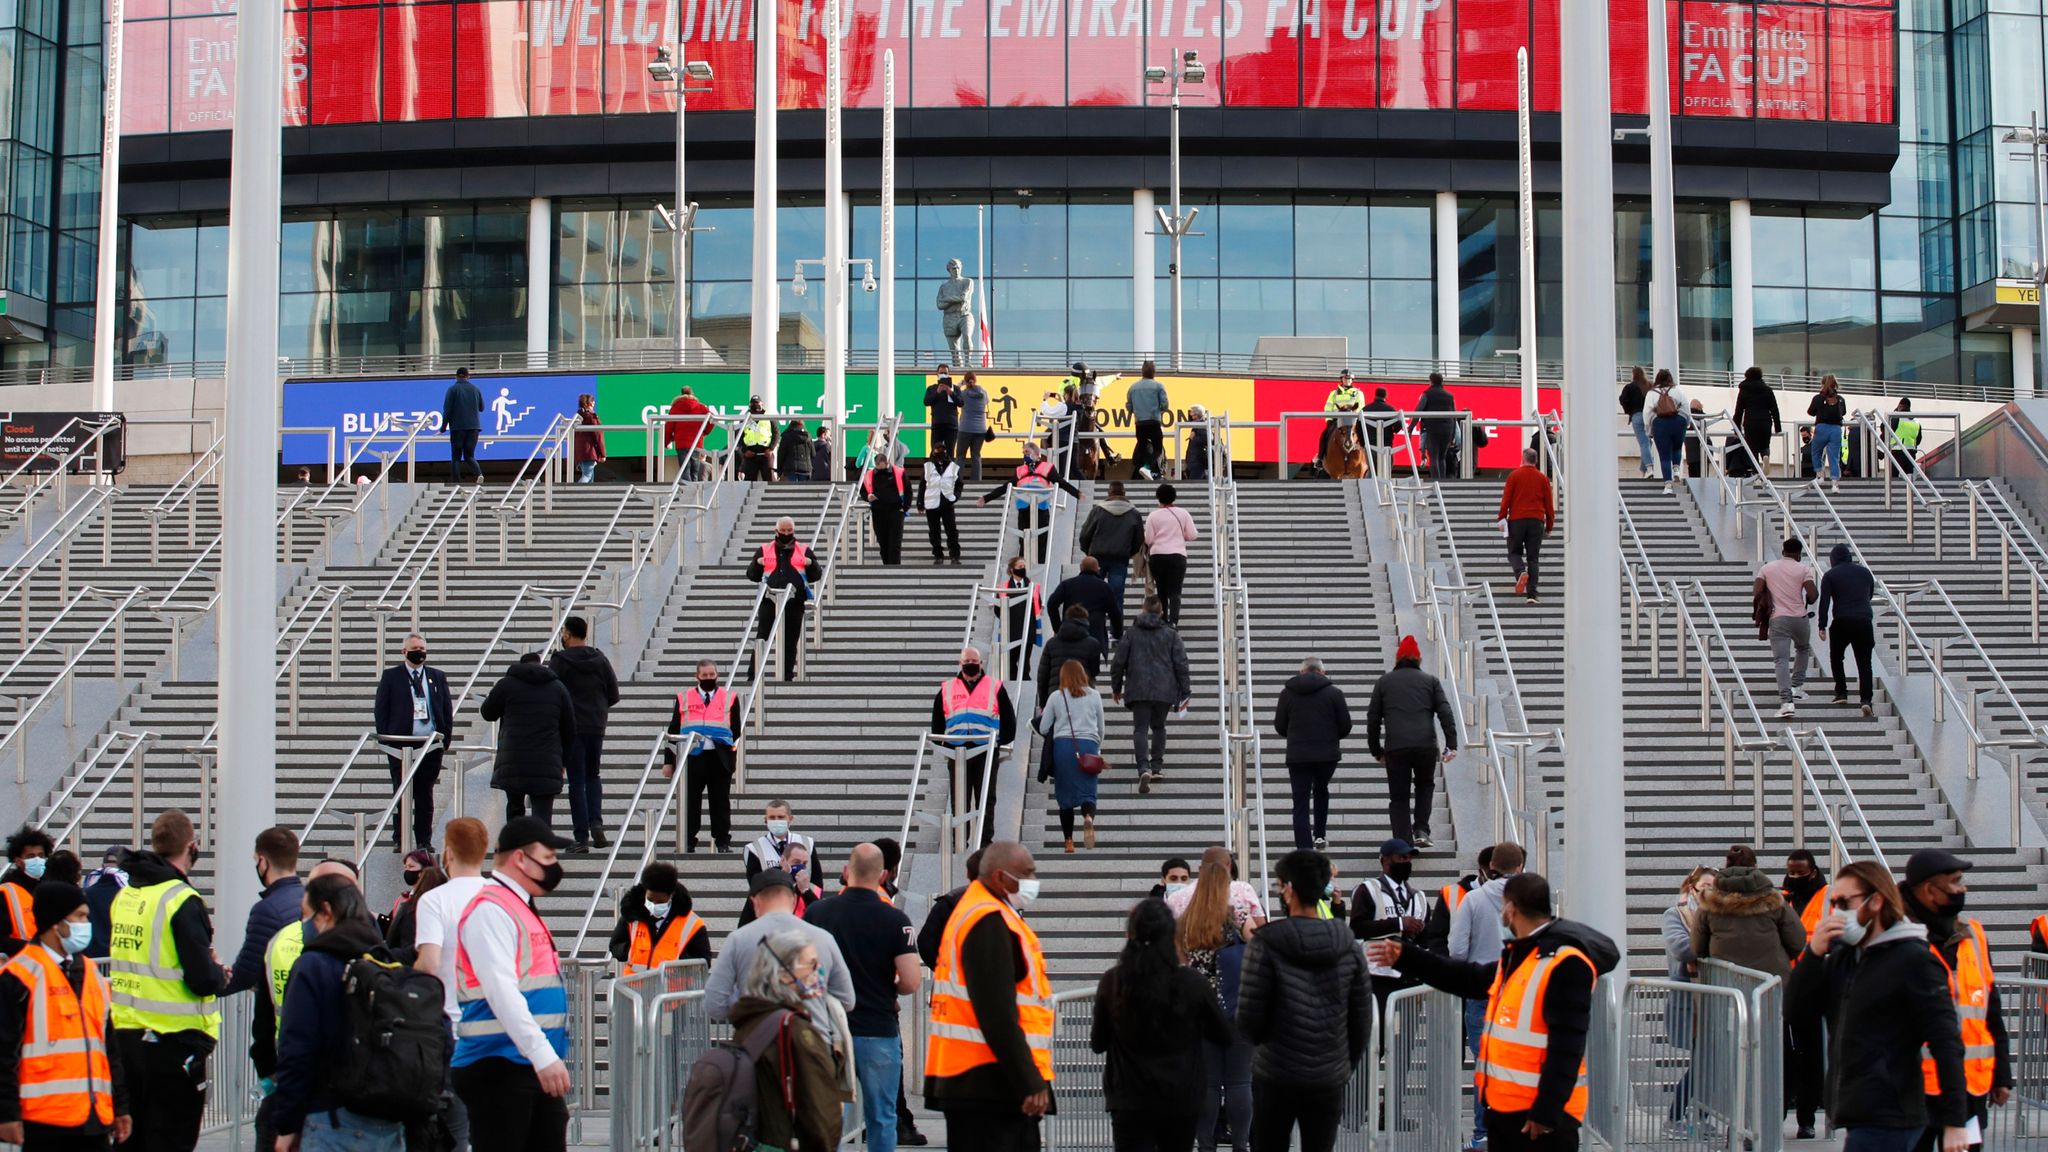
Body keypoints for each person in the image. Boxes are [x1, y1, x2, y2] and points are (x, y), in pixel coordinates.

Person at [1371, 873, 1620, 1152]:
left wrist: (1547, 1111)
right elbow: (1467, 978)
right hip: (1506, 1110)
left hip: (1541, 1118)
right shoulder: (1521, 955)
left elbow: (1567, 1046)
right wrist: (1408, 957)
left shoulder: (1564, 963)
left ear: (1511, 908)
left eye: (1503, 906)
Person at [1787, 860, 1970, 1152]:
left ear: (1876, 901)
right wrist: (1813, 953)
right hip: (1860, 1107)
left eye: (1845, 902)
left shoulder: (1913, 958)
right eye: (1834, 902)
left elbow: (1945, 1040)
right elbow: (1797, 1011)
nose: (1837, 911)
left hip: (1891, 1111)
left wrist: (1955, 1121)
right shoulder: (1846, 957)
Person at [448, 820, 573, 1152]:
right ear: (521, 858)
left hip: (519, 1063)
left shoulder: (515, 906)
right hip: (500, 1065)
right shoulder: (491, 908)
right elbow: (501, 991)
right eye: (547, 857)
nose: (553, 866)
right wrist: (543, 1055)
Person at [108, 810, 229, 1152]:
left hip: (127, 1039)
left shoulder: (127, 896)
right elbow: (202, 979)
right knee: (171, 1139)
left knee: (132, 1140)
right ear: (192, 847)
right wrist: (219, 972)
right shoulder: (181, 900)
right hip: (174, 1043)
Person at [923, 840, 1055, 1151]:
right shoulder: (987, 920)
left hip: (982, 1082)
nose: (1032, 881)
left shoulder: (984, 912)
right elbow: (997, 1013)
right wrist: (1030, 1080)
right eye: (1026, 873)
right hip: (989, 1084)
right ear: (998, 877)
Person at [1238, 850, 1371, 1152]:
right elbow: (1361, 1017)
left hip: (1275, 1070)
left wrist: (1264, 1046)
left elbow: (1248, 1015)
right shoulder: (1347, 944)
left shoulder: (1266, 943)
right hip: (1328, 1072)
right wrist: (1342, 1062)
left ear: (1288, 889)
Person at [269, 874, 409, 1152]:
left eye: (306, 916)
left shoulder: (314, 965)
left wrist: (287, 1124)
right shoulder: (387, 961)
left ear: (326, 911)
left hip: (331, 1117)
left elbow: (297, 1048)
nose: (304, 925)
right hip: (390, 1122)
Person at [804, 844, 919, 1152]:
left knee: (830, 1117)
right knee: (882, 1116)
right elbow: (910, 981)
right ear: (883, 874)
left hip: (828, 1028)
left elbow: (803, 969)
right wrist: (888, 988)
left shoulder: (817, 912)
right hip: (877, 1027)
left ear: (847, 870)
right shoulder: (896, 919)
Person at [0, 880, 130, 1150]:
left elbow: (109, 1048)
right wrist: (7, 1113)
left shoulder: (91, 973)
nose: (86, 924)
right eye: (80, 916)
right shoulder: (19, 975)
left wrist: (120, 1106)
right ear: (56, 922)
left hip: (94, 1117)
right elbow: (4, 1050)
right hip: (46, 1121)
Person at [1091, 899, 1230, 1152]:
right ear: (1172, 936)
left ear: (1129, 934)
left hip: (1129, 1097)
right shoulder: (1192, 982)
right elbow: (1222, 1035)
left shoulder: (1114, 981)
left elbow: (1098, 1043)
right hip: (1181, 1096)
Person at [1900, 849, 2013, 1152]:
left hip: (1968, 1087)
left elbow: (1990, 1009)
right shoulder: (1897, 935)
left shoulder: (1973, 934)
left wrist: (2002, 1075)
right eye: (1956, 882)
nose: (1963, 889)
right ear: (1929, 890)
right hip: (1914, 1089)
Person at [729, 929, 853, 1151]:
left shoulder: (750, 1020)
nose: (818, 972)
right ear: (785, 974)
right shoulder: (797, 1031)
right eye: (811, 964)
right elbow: (820, 1111)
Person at [409, 818, 488, 1152]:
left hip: (450, 1025)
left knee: (453, 1128)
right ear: (484, 852)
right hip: (496, 1028)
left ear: (447, 853)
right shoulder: (504, 897)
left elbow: (428, 962)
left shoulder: (435, 900)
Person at [1176, 853, 1258, 1152]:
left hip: (1199, 1008)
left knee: (1208, 1084)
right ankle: (1240, 1145)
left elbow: (1181, 961)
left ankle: (1206, 1145)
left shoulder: (1186, 919)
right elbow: (1256, 937)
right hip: (1235, 1003)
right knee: (1239, 1082)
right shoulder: (1234, 911)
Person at [705, 869, 856, 1021]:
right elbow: (847, 1000)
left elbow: (714, 1005)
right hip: (813, 1039)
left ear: (755, 902)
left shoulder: (738, 939)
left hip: (757, 1039)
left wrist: (746, 1002)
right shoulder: (824, 938)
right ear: (794, 899)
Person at [1366, 635, 1455, 848]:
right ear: (1418, 659)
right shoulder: (1430, 681)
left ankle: (1403, 841)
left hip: (1396, 747)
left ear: (1398, 659)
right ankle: (1422, 829)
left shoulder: (1384, 682)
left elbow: (1373, 718)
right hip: (1425, 745)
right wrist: (1451, 745)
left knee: (1399, 796)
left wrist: (1376, 750)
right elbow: (1445, 713)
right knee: (1425, 785)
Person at [372, 633, 453, 853]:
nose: (420, 652)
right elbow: (381, 709)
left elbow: (445, 708)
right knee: (401, 790)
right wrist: (386, 738)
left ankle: (424, 840)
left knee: (425, 793)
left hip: (429, 745)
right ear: (404, 651)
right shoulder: (392, 677)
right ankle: (400, 836)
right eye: (415, 648)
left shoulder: (436, 676)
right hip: (401, 744)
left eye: (422, 648)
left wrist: (445, 737)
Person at [548, 615, 619, 853]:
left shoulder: (559, 661)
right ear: (586, 633)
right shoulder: (600, 659)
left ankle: (581, 837)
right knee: (593, 775)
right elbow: (613, 693)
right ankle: (596, 822)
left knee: (576, 780)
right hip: (596, 725)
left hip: (572, 728)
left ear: (567, 634)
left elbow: (552, 694)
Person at [931, 652, 1018, 844]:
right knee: (959, 799)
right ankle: (959, 840)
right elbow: (937, 720)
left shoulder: (994, 686)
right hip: (957, 751)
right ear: (960, 663)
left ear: (981, 663)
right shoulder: (947, 688)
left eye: (974, 661)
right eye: (967, 661)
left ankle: (985, 841)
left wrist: (1000, 742)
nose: (971, 664)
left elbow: (1009, 719)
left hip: (985, 750)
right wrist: (943, 743)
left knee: (986, 798)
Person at [478, 652, 576, 822]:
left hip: (514, 759)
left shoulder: (506, 685)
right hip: (547, 760)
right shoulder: (558, 688)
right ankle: (541, 846)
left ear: (520, 665)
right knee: (543, 815)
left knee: (515, 808)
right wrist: (564, 761)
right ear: (541, 665)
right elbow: (570, 728)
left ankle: (517, 845)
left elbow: (487, 713)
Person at [1112, 596, 1191, 795]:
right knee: (1159, 727)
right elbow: (1181, 664)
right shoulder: (1172, 635)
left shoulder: (1131, 634)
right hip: (1164, 689)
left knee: (1140, 729)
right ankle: (1156, 766)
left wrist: (1116, 687)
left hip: (1138, 688)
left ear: (1143, 610)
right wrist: (1185, 690)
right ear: (1162, 612)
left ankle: (1143, 767)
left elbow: (1118, 662)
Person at [1273, 656, 1352, 852]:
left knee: (1299, 801)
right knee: (1321, 789)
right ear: (1322, 672)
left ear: (1302, 672)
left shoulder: (1287, 694)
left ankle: (1304, 847)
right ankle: (1320, 835)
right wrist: (1332, 737)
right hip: (1327, 755)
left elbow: (1280, 726)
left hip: (1298, 755)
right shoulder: (1335, 693)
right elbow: (1346, 725)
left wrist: (1293, 735)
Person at [663, 659, 743, 854]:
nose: (709, 678)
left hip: (719, 756)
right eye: (705, 675)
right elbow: (673, 730)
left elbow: (736, 729)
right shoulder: (684, 697)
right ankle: (688, 840)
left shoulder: (730, 697)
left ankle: (723, 841)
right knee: (691, 802)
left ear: (717, 675)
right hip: (692, 756)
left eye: (712, 675)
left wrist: (722, 742)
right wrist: (668, 762)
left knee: (720, 801)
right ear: (697, 676)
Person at [225, 828, 303, 999]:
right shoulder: (310, 899)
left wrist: (209, 982)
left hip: (273, 1012)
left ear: (262, 862)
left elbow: (246, 973)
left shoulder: (267, 910)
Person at [976, 442, 1084, 564]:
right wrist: (986, 498)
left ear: (1037, 454)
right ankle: (1024, 568)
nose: (1025, 455)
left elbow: (1061, 482)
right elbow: (1006, 487)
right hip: (1024, 508)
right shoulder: (1020, 470)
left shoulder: (1047, 467)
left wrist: (1077, 493)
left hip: (1041, 508)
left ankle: (1041, 569)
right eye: (1023, 453)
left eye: (1027, 452)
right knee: (1024, 540)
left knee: (1042, 539)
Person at [1036, 660, 1104, 854]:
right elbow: (1101, 727)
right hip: (1089, 745)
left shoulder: (1056, 697)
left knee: (1065, 798)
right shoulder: (1095, 696)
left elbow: (1043, 727)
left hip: (1064, 747)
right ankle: (1088, 817)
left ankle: (1068, 842)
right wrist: (1096, 747)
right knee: (1088, 793)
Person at [1692, 865, 1805, 978]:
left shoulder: (1707, 907)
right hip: (1771, 981)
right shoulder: (1776, 903)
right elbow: (1797, 941)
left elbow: (1698, 947)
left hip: (1726, 981)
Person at [1350, 839, 1426, 1004]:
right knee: (1382, 1026)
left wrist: (1419, 931)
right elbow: (1357, 927)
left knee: (1410, 1028)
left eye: (1408, 858)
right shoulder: (1368, 889)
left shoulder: (1419, 897)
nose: (1406, 862)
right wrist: (1399, 924)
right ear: (1385, 861)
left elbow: (1428, 938)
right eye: (1401, 858)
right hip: (1378, 974)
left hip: (1410, 973)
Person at [747, 517, 823, 681]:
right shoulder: (764, 549)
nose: (786, 534)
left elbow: (816, 575)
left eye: (790, 531)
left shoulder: (804, 549)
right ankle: (753, 675)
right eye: (783, 531)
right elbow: (751, 575)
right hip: (769, 601)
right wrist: (757, 563)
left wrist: (811, 564)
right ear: (776, 531)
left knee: (790, 640)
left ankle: (786, 676)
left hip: (794, 602)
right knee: (763, 636)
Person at [1754, 537, 1818, 717]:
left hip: (1778, 618)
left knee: (1781, 660)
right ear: (1798, 554)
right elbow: (1813, 595)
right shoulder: (1803, 569)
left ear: (1783, 551)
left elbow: (1757, 591)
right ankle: (1797, 686)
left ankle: (1787, 701)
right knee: (1803, 648)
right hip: (1800, 618)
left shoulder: (1767, 568)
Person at [609, 862, 708, 975]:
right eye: (650, 900)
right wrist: (631, 951)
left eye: (660, 902)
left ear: (671, 896)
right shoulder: (632, 914)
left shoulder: (692, 924)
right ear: (645, 892)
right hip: (634, 988)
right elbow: (615, 945)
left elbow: (704, 962)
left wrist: (678, 960)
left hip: (672, 989)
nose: (654, 904)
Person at [1079, 482, 1144, 643]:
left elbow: (1085, 534)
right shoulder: (1134, 513)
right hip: (1119, 559)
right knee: (1116, 598)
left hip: (1097, 558)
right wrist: (1128, 553)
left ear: (1109, 492)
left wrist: (1088, 552)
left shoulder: (1098, 510)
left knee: (1093, 594)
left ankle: (1093, 631)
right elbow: (1139, 540)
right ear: (1124, 493)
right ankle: (1116, 632)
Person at [1819, 543, 1877, 716]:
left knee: (1836, 657)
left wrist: (1822, 624)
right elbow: (1870, 594)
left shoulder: (1830, 575)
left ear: (1833, 559)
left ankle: (1841, 692)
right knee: (1865, 663)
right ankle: (1866, 700)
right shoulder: (1865, 572)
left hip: (1842, 620)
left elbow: (1825, 601)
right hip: (1864, 620)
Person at [1498, 449, 1555, 605]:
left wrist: (1501, 517)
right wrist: (1549, 525)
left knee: (1514, 552)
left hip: (1517, 520)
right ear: (1535, 460)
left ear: (1522, 459)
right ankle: (1532, 594)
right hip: (1537, 521)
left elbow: (1507, 499)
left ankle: (1520, 571)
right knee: (1533, 558)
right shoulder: (1543, 478)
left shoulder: (1514, 476)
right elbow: (1549, 504)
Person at [1420, 845, 1492, 957]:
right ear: (1481, 872)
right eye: (1493, 873)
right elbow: (1437, 937)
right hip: (1460, 967)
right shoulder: (1452, 893)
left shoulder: (1510, 893)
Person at [918, 848, 984, 970]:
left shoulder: (949, 901)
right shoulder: (1004, 907)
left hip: (949, 982)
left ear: (968, 874)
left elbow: (927, 945)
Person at [1144, 485, 1198, 626]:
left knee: (1161, 589)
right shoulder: (1183, 513)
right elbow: (1192, 535)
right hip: (1177, 556)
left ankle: (1162, 619)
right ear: (1174, 497)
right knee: (1175, 590)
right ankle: (1174, 622)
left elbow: (1148, 539)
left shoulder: (1153, 515)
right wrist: (1180, 536)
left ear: (1158, 498)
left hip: (1157, 556)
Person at [743, 800, 824, 886]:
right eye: (772, 817)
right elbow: (754, 884)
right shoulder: (754, 848)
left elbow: (817, 881)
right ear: (766, 820)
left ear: (790, 818)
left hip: (804, 897)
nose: (776, 821)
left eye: (781, 817)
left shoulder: (807, 842)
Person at [1, 826, 53, 955]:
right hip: (18, 965)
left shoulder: (51, 888)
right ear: (18, 861)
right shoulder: (6, 892)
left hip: (46, 964)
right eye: (31, 856)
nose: (37, 860)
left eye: (41, 855)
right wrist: (33, 948)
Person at [1038, 605, 1105, 706]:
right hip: (1083, 695)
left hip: (1056, 696)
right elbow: (1094, 671)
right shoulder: (1093, 644)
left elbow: (1043, 676)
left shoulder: (1051, 644)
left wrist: (1043, 703)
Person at [1046, 557, 1118, 648]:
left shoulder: (1067, 584)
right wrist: (1117, 633)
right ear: (1097, 569)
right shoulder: (1104, 587)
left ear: (1081, 568)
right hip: (1095, 635)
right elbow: (1115, 613)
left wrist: (1057, 628)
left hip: (1070, 633)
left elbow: (1051, 604)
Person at [861, 447, 911, 566]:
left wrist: (905, 508)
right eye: (879, 468)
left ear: (887, 463)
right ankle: (886, 566)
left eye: (883, 468)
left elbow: (908, 491)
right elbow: (863, 491)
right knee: (883, 543)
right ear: (876, 465)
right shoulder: (870, 474)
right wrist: (868, 497)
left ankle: (894, 569)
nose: (881, 470)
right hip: (878, 512)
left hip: (896, 511)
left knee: (895, 543)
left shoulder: (899, 472)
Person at [994, 556, 1041, 681]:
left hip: (1028, 630)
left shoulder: (1032, 586)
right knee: (1011, 661)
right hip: (1010, 631)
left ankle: (1025, 678)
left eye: (1024, 567)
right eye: (1020, 567)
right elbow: (998, 610)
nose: (1023, 569)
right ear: (1011, 570)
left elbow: (1037, 606)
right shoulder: (1003, 588)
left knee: (1025, 660)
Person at [1641, 368, 1687, 487]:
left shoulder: (1651, 393)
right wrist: (1686, 423)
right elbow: (1686, 408)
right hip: (1678, 421)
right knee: (1677, 447)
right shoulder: (1678, 390)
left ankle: (1668, 484)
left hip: (1660, 424)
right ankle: (1676, 469)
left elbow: (1646, 413)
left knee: (1664, 455)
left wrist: (1649, 430)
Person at [1732, 367, 1781, 477]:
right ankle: (1765, 457)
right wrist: (1778, 427)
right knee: (1764, 445)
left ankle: (1756, 472)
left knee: (1752, 449)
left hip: (1750, 422)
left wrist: (1737, 428)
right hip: (1765, 422)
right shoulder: (1767, 390)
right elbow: (1774, 409)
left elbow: (1738, 410)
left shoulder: (1744, 390)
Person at [921, 441, 964, 563]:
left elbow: (959, 484)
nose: (940, 452)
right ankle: (938, 555)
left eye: (942, 449)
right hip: (931, 504)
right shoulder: (928, 466)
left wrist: (956, 496)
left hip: (947, 503)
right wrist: (920, 503)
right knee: (934, 531)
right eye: (937, 449)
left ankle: (954, 555)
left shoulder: (953, 466)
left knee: (951, 530)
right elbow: (922, 485)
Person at [82, 848, 126, 963]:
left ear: (102, 866)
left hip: (93, 957)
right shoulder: (129, 895)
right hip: (120, 957)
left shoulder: (87, 893)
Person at [1128, 363, 1171, 480]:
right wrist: (1158, 410)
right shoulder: (1158, 386)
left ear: (1142, 372)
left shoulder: (1133, 387)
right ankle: (1147, 468)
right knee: (1158, 448)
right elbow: (1165, 405)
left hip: (1139, 423)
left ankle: (1142, 472)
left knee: (1142, 448)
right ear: (1154, 372)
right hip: (1153, 422)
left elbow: (1129, 407)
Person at [1413, 372, 1458, 480]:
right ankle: (1442, 482)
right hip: (1447, 430)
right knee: (1442, 458)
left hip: (1432, 429)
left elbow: (1418, 411)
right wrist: (1452, 435)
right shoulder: (1449, 396)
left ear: (1431, 381)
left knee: (1434, 457)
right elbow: (1454, 416)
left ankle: (1436, 481)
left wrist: (1410, 427)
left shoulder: (1427, 394)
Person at [442, 367, 484, 483]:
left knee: (456, 457)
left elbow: (447, 410)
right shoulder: (475, 389)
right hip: (474, 427)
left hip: (457, 428)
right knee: (469, 455)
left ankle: (456, 482)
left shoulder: (452, 390)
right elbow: (482, 408)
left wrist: (443, 427)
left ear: (456, 377)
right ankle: (479, 473)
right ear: (468, 376)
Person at [665, 384, 713, 479]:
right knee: (694, 471)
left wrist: (666, 441)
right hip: (696, 443)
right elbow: (712, 419)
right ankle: (694, 491)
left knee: (684, 469)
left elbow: (669, 426)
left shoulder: (675, 408)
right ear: (692, 394)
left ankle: (687, 490)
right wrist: (704, 432)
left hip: (681, 443)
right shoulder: (701, 407)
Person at [1809, 374, 1849, 489]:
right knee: (1834, 457)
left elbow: (1811, 412)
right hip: (1836, 430)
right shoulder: (1840, 399)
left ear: (1822, 384)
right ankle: (1835, 484)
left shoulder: (1818, 398)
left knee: (1816, 452)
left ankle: (1820, 476)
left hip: (1821, 428)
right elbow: (1844, 412)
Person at [957, 374, 992, 480]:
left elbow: (955, 396)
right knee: (976, 456)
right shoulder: (984, 393)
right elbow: (987, 402)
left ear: (966, 381)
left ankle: (957, 479)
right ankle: (977, 480)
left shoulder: (964, 393)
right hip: (981, 429)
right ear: (975, 380)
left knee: (960, 456)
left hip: (965, 429)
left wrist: (959, 385)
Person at [1620, 366, 1653, 479]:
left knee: (1644, 443)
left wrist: (1630, 411)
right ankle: (1644, 472)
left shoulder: (1630, 387)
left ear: (1633, 375)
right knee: (1648, 443)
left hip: (1637, 415)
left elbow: (1623, 400)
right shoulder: (1649, 386)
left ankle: (1649, 468)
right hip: (1650, 416)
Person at [738, 396, 776, 480]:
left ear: (762, 403)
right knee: (749, 480)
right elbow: (739, 436)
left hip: (766, 453)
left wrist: (771, 448)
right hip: (750, 453)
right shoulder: (745, 418)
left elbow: (776, 434)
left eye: (757, 403)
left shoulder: (769, 417)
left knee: (769, 478)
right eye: (753, 403)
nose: (756, 405)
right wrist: (745, 450)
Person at [927, 371, 963, 459]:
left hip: (952, 426)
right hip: (937, 425)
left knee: (950, 453)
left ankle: (950, 472)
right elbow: (926, 401)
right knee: (935, 451)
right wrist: (937, 392)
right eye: (941, 372)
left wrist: (951, 392)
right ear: (937, 374)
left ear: (949, 374)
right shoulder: (932, 388)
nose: (943, 374)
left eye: (945, 372)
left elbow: (961, 403)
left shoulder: (955, 388)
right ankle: (933, 471)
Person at [569, 392, 605, 483]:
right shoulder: (591, 416)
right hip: (589, 451)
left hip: (580, 451)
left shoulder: (579, 416)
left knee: (590, 478)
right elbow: (598, 435)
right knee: (587, 476)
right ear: (591, 403)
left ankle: (586, 496)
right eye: (593, 402)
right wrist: (602, 453)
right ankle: (574, 494)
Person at [1889, 398, 1924, 476]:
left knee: (1894, 477)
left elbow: (1888, 432)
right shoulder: (1916, 421)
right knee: (1909, 477)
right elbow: (1918, 440)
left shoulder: (1897, 418)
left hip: (1897, 452)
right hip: (1911, 452)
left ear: (1900, 406)